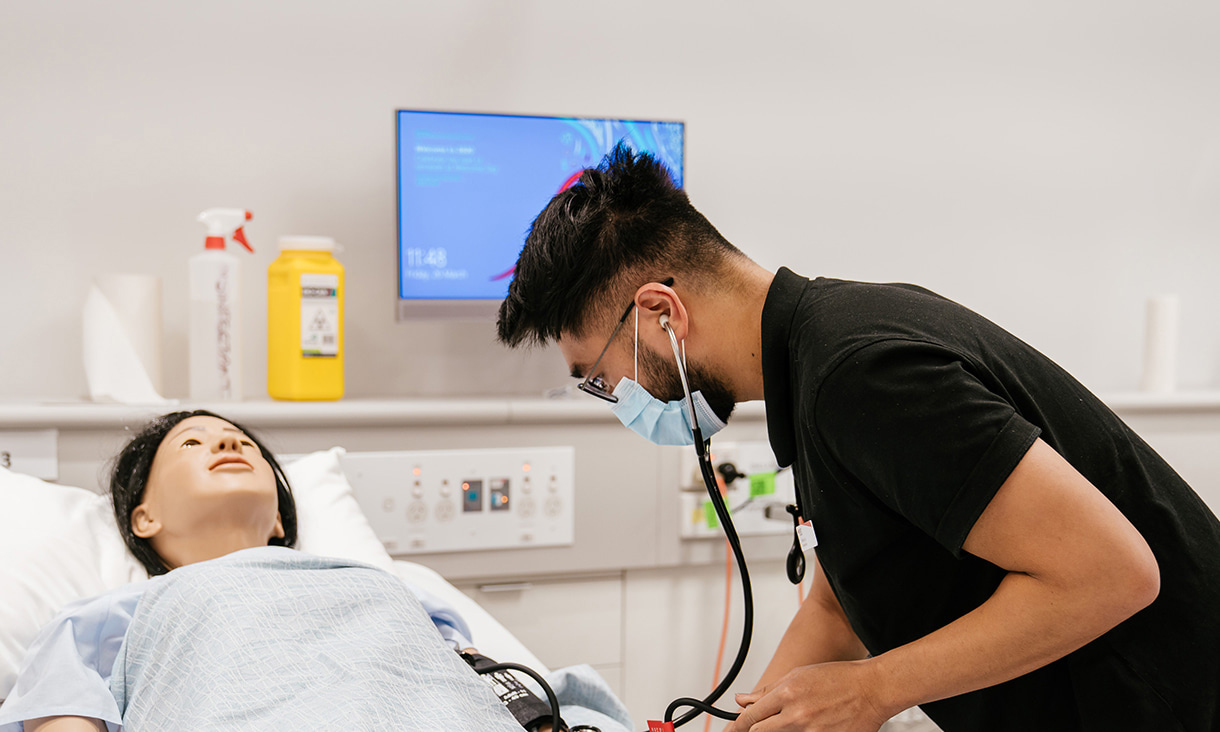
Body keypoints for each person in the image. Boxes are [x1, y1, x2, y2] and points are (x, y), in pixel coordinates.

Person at [495, 143, 1220, 731]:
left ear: (661, 314)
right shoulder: (809, 367)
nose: (614, 397)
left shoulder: (858, 373)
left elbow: (1113, 573)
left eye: (598, 374)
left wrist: (874, 690)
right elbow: (837, 608)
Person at [0, 410, 630, 732]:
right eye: (192, 444)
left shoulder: (385, 588)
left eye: (242, 443)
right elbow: (61, 715)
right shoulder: (106, 618)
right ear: (143, 520)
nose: (227, 444)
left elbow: (488, 689)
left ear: (279, 521)